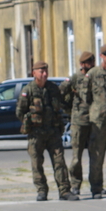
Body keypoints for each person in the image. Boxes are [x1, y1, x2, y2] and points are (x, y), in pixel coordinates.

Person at [16, 62, 78, 202]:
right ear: (34, 73)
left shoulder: (53, 89)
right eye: (41, 71)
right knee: (37, 163)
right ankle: (42, 190)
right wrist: (30, 120)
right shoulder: (29, 90)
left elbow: (62, 105)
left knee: (59, 162)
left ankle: (64, 191)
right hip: (36, 134)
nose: (44, 74)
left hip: (53, 132)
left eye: (46, 71)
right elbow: (20, 112)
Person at [60, 51, 95, 196]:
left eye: (92, 62)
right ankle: (75, 184)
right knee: (76, 157)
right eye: (89, 63)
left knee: (96, 156)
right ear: (82, 64)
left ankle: (96, 185)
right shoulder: (75, 78)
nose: (92, 65)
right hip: (78, 121)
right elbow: (61, 92)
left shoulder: (96, 76)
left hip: (94, 120)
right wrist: (69, 110)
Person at [84, 44, 106, 199]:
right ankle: (96, 187)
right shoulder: (93, 74)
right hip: (99, 121)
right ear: (102, 56)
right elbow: (85, 97)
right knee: (97, 155)